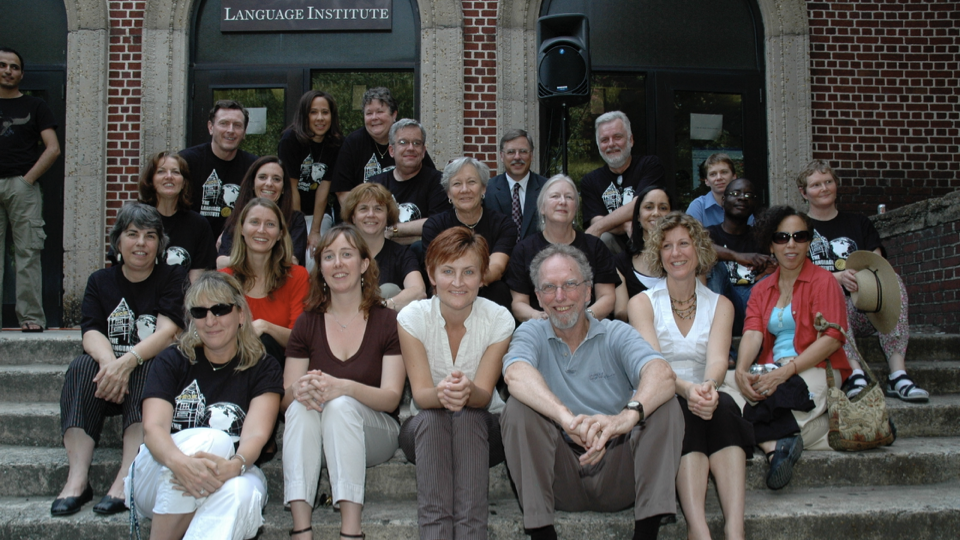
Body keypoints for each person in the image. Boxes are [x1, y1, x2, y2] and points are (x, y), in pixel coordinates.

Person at [500, 243, 683, 540]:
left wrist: (623, 419)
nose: (560, 297)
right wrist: (566, 419)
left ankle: (647, 532)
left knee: (666, 405)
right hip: (559, 475)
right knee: (517, 408)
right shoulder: (530, 333)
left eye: (570, 284)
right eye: (549, 288)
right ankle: (541, 532)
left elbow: (662, 374)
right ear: (538, 298)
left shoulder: (615, 333)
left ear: (588, 292)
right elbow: (515, 374)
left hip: (619, 469)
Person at [125, 271, 283, 540]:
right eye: (199, 312)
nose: (210, 320)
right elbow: (153, 430)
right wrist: (180, 464)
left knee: (241, 494)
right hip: (159, 472)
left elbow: (256, 435)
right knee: (214, 441)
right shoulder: (172, 360)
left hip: (229, 473)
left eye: (220, 309)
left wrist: (234, 467)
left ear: (241, 314)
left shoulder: (263, 367)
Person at [54, 203, 186, 516]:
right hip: (107, 382)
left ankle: (126, 477)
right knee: (81, 365)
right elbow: (91, 332)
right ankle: (77, 480)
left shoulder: (172, 277)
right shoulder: (100, 280)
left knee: (150, 363)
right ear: (118, 242)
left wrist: (127, 362)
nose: (141, 242)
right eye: (133, 234)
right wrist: (109, 365)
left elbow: (168, 333)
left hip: (150, 379)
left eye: (150, 236)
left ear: (159, 244)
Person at [628, 212, 752, 540]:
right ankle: (698, 528)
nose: (676, 253)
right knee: (682, 409)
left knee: (724, 408)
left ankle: (734, 528)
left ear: (698, 249)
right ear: (658, 254)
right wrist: (687, 390)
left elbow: (716, 361)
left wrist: (708, 387)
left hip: (705, 390)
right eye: (667, 246)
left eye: (684, 243)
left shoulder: (721, 304)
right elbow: (653, 363)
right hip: (661, 392)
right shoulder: (641, 303)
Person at [282, 224, 405, 540]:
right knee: (298, 408)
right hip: (319, 436)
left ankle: (351, 531)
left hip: (375, 432)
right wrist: (298, 390)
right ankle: (301, 529)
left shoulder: (387, 321)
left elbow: (391, 398)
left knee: (339, 406)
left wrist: (344, 388)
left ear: (364, 264)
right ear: (320, 267)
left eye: (346, 255)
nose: (337, 264)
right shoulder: (306, 323)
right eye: (329, 256)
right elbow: (283, 399)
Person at [398, 227, 514, 539]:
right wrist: (444, 393)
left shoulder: (499, 319)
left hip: (483, 431)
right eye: (448, 271)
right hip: (423, 430)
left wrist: (467, 392)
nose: (458, 282)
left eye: (469, 272)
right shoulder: (412, 318)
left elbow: (485, 396)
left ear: (483, 275)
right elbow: (422, 396)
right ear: (431, 273)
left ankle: (471, 531)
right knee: (434, 419)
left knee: (467, 417)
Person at [734, 205, 852, 490]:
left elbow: (833, 338)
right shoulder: (761, 289)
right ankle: (787, 444)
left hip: (816, 366)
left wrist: (787, 371)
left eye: (799, 236)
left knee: (772, 403)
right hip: (773, 366)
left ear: (809, 242)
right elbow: (751, 332)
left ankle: (767, 438)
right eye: (781, 237)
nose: (791, 244)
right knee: (722, 396)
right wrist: (740, 370)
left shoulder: (824, 282)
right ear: (770, 244)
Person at [797, 160, 927, 402]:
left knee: (894, 282)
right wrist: (836, 278)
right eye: (816, 185)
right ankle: (854, 373)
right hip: (820, 319)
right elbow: (795, 275)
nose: (824, 188)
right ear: (804, 192)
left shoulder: (859, 222)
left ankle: (898, 374)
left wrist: (863, 277)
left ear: (836, 185)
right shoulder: (798, 228)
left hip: (865, 311)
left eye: (828, 182)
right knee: (833, 296)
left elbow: (878, 265)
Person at [0, 46, 61, 332]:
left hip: (22, 186)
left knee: (28, 253)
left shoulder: (35, 106)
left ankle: (31, 318)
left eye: (13, 67)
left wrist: (27, 180)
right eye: (3, 65)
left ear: (21, 74)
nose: (8, 71)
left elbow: (52, 148)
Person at [506, 174, 619, 322]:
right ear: (542, 208)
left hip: (588, 329)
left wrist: (583, 319)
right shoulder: (523, 250)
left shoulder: (595, 247)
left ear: (576, 208)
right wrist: (540, 317)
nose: (562, 202)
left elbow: (607, 297)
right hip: (542, 330)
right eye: (555, 196)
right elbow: (519, 303)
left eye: (569, 197)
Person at [220, 198, 309, 365]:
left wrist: (265, 327)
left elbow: (301, 339)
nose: (261, 230)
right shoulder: (223, 280)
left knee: (266, 342)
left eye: (270, 224)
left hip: (278, 369)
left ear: (280, 234)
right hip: (231, 367)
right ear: (241, 229)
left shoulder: (297, 277)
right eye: (254, 222)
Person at [422, 157, 517, 308]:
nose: (464, 189)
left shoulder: (503, 225)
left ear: (484, 188)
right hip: (447, 290)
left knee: (499, 289)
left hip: (488, 292)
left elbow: (496, 268)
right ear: (448, 193)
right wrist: (457, 284)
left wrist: (466, 281)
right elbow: (435, 271)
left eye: (471, 182)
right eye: (457, 184)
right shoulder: (434, 226)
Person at [330, 87, 435, 205]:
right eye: (369, 113)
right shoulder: (353, 143)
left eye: (380, 112)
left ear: (394, 114)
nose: (374, 117)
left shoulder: (409, 144)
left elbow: (431, 180)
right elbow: (342, 191)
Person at [580, 111, 665, 254]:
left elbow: (641, 204)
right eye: (605, 140)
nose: (611, 144)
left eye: (617, 137)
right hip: (613, 253)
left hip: (651, 248)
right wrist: (626, 224)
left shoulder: (650, 165)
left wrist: (599, 227)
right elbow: (597, 222)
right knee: (604, 237)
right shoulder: (590, 181)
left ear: (631, 140)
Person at [278, 90, 343, 263]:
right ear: (304, 115)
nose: (320, 118)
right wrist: (300, 231)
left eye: (325, 112)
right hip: (291, 212)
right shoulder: (290, 140)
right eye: (313, 112)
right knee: (297, 252)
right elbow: (292, 189)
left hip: (319, 215)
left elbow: (324, 188)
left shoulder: (335, 143)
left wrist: (314, 231)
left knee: (315, 255)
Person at [341, 183, 426, 311]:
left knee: (389, 290)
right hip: (346, 321)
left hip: (386, 325)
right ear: (353, 217)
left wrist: (382, 307)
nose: (371, 214)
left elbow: (419, 292)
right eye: (363, 208)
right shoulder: (340, 253)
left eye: (378, 209)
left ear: (387, 216)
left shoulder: (402, 254)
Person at [179, 99, 259, 236]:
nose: (231, 130)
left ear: (244, 132)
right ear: (211, 127)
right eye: (224, 123)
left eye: (237, 125)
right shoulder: (187, 161)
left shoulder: (254, 167)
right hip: (194, 243)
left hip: (236, 246)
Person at [706, 178, 775, 336]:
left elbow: (772, 269)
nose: (742, 198)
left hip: (753, 303)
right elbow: (700, 247)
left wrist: (767, 272)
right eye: (735, 193)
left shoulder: (762, 237)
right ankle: (723, 347)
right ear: (723, 201)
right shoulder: (709, 233)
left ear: (755, 203)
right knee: (715, 267)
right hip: (722, 301)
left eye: (748, 195)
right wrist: (738, 256)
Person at [137, 151, 216, 282]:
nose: (169, 177)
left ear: (184, 182)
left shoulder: (198, 225)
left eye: (175, 172)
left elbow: (197, 282)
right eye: (161, 171)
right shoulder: (135, 219)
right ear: (151, 180)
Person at [216, 155, 308, 267]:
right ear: (252, 184)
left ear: (283, 188)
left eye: (276, 179)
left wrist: (241, 260)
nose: (269, 183)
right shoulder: (238, 217)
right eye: (262, 177)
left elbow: (292, 262)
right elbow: (221, 263)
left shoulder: (295, 220)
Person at [370, 119, 449, 244]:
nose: (410, 148)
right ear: (392, 150)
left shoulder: (439, 182)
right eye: (403, 142)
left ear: (423, 151)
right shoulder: (375, 184)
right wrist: (417, 234)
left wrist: (393, 230)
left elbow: (438, 225)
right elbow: (368, 228)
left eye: (417, 143)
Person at [612, 185, 672, 321]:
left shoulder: (682, 257)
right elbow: (621, 313)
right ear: (638, 216)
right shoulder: (621, 262)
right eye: (649, 207)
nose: (656, 213)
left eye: (663, 208)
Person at [484, 129, 548, 241]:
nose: (517, 157)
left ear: (531, 155)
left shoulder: (547, 189)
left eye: (523, 151)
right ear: (501, 156)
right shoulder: (487, 190)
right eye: (511, 152)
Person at [685, 153, 755, 228]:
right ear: (706, 181)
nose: (719, 178)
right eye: (713, 174)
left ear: (734, 176)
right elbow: (691, 238)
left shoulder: (742, 204)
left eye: (724, 172)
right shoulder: (698, 207)